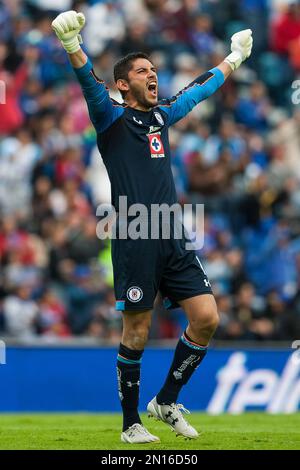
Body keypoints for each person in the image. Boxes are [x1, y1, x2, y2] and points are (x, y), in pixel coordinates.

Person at [51, 11, 253, 444]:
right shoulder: (110, 118)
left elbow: (197, 91)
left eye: (154, 70)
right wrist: (73, 46)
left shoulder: (162, 116)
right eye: (142, 71)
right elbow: (89, 83)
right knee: (137, 332)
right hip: (135, 235)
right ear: (123, 84)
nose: (152, 75)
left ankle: (166, 400)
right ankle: (130, 425)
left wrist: (233, 59)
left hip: (173, 235)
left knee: (207, 318)